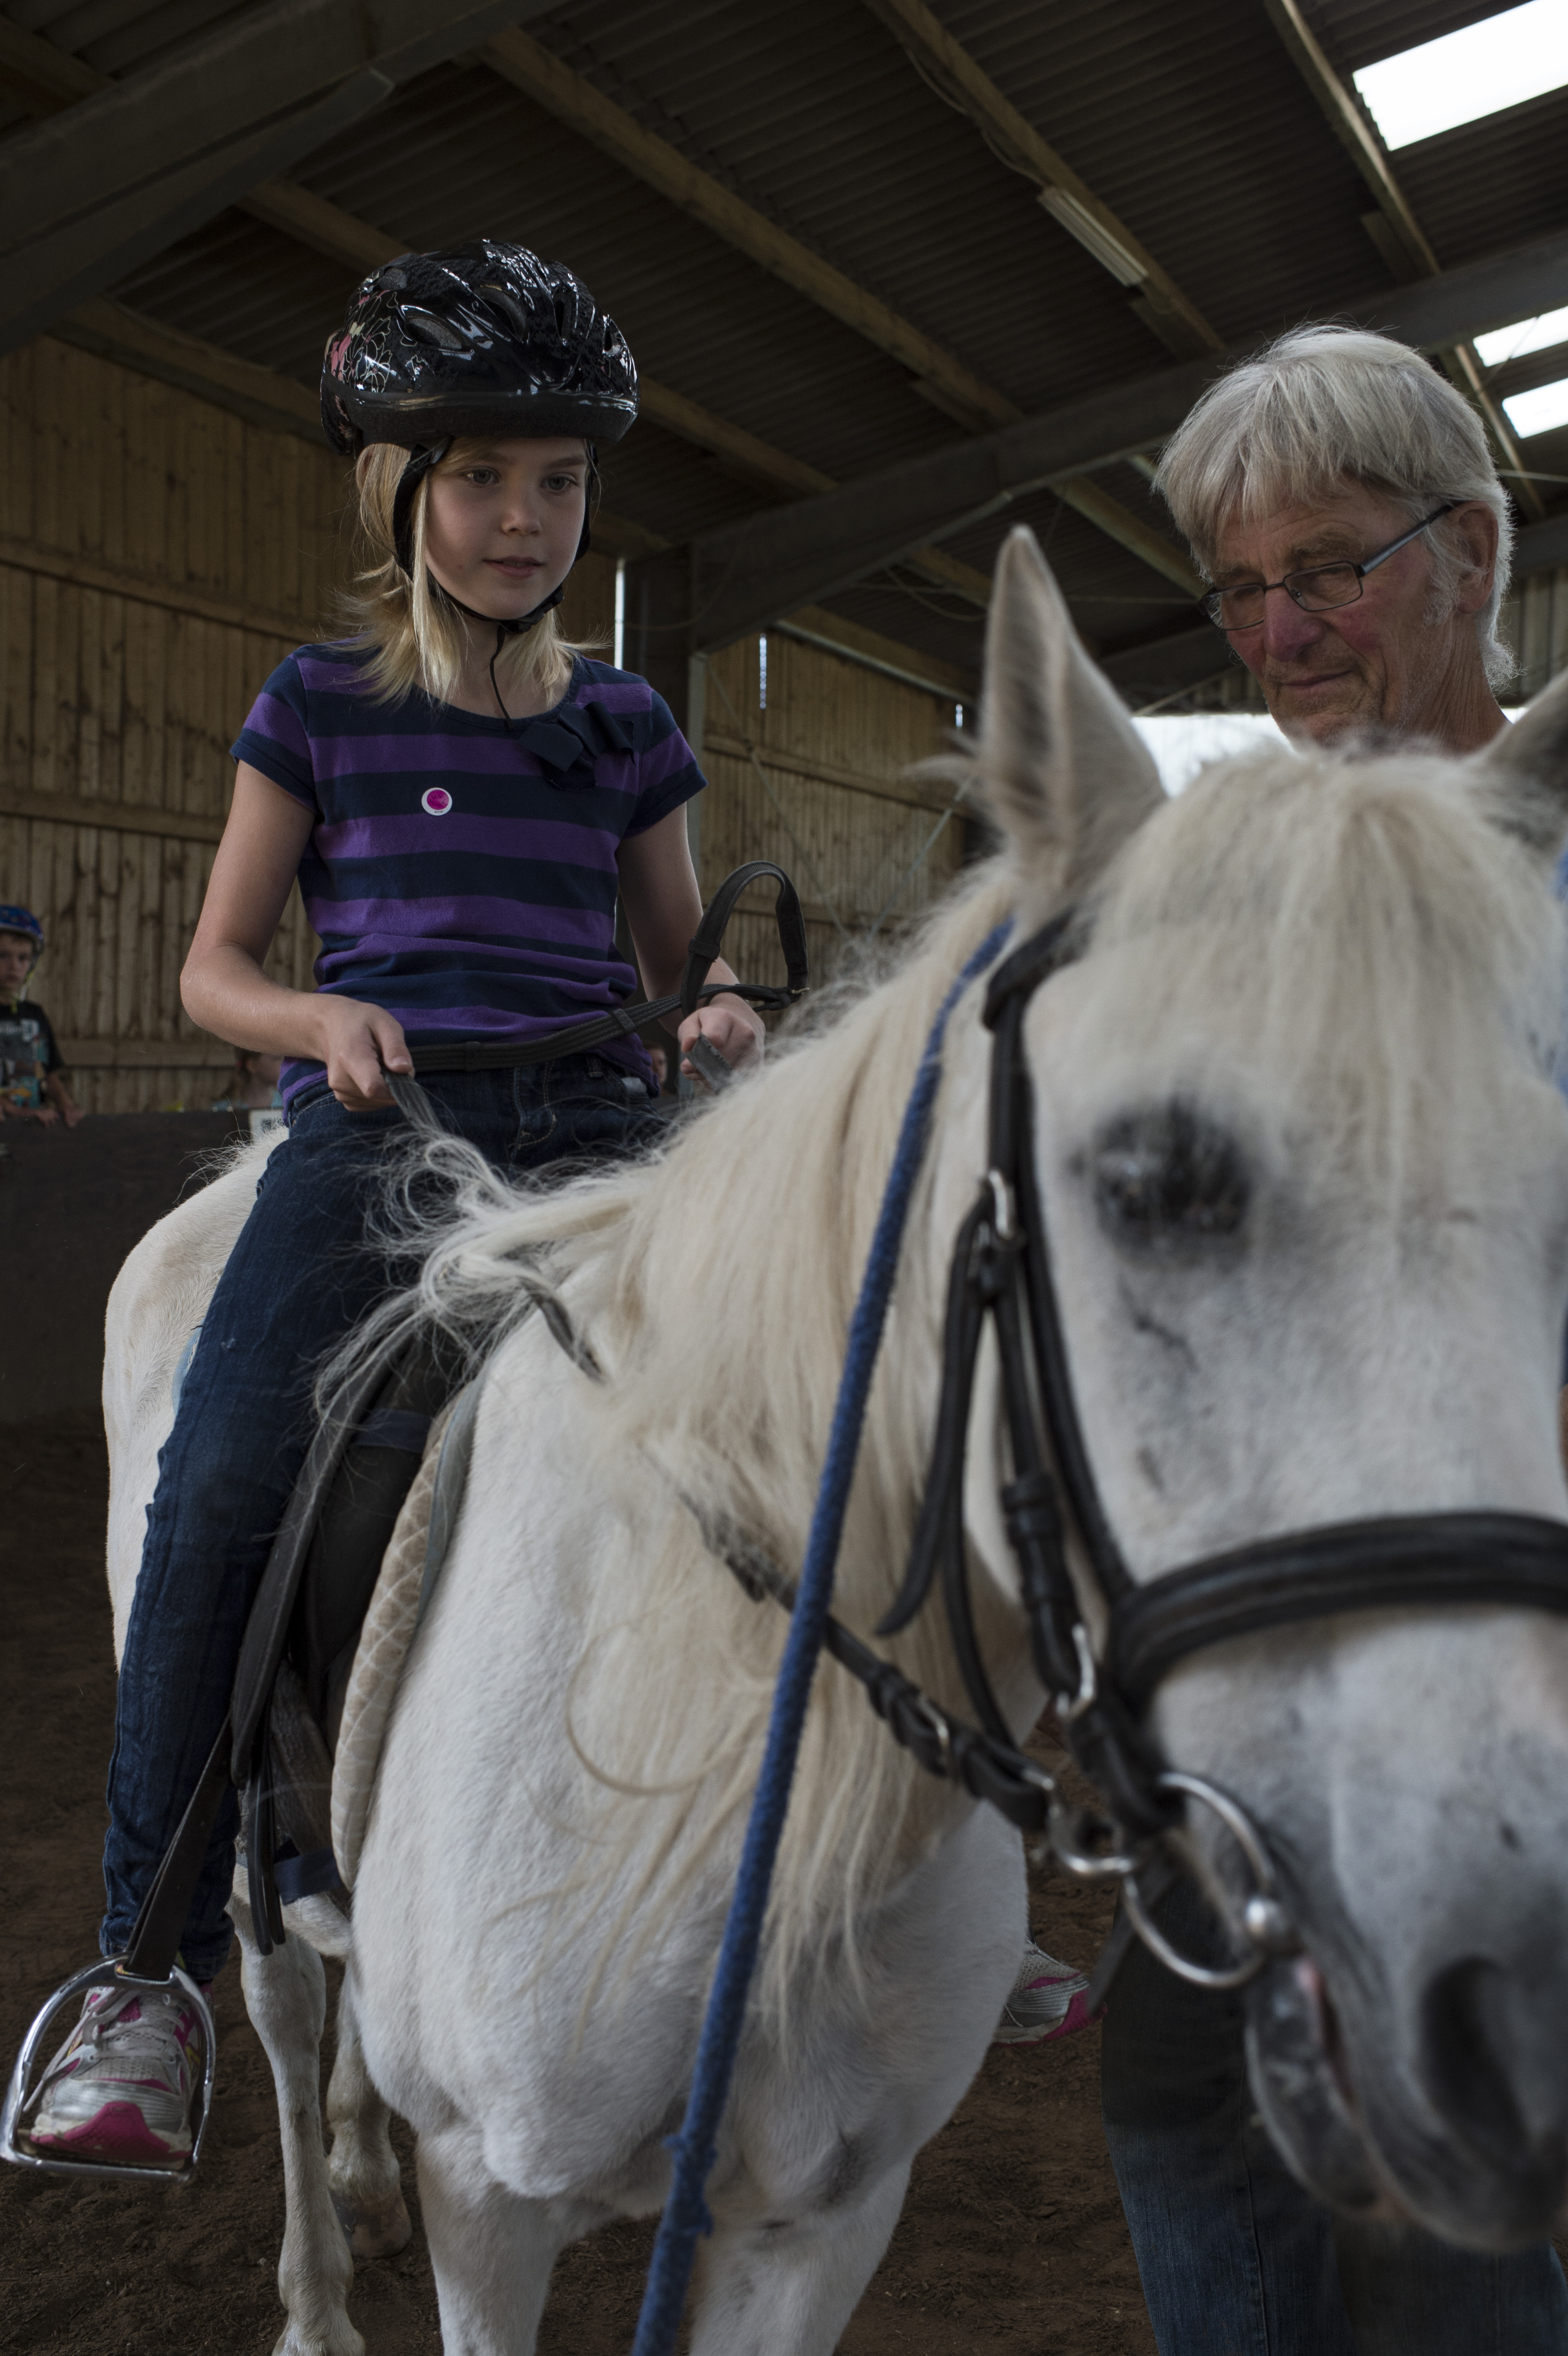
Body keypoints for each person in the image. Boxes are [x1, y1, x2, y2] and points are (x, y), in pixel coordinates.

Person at [23, 241, 764, 2170]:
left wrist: (720, 1017)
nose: (523, 520)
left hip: (594, 1115)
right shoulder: (320, 703)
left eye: (557, 484)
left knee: (803, 1390)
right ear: (402, 492)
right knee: (227, 1461)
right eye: (480, 478)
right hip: (380, 1123)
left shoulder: (625, 728)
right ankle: (146, 1965)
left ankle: (901, 1863)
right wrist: (315, 1011)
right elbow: (210, 963)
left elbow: (679, 967)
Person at [1099, 326, 1568, 2354]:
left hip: (1511, 1652)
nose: (1276, 631)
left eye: (1328, 570)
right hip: (1295, 1682)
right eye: (1237, 587)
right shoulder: (1227, 912)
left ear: (1470, 555)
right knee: (1192, 2104)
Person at [0, 906, 83, 1127]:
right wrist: (14, 1110)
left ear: (32, 964)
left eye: (23, 958)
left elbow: (46, 1071)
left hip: (33, 1125)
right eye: (3, 956)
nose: (14, 966)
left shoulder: (35, 1015)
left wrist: (66, 1105)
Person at [209, 1047, 283, 1112]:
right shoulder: (223, 1109)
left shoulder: (287, 1104)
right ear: (253, 1066)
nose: (284, 1064)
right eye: (277, 1058)